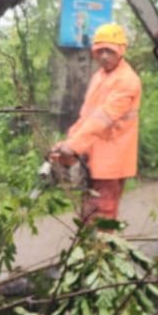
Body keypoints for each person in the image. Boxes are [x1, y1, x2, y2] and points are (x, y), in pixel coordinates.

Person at [50, 21, 142, 224]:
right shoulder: (100, 76)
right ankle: (90, 252)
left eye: (109, 51)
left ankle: (99, 253)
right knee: (88, 214)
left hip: (112, 159)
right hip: (93, 155)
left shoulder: (127, 81)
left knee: (102, 216)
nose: (104, 56)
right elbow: (87, 116)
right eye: (100, 51)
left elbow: (102, 119)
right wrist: (68, 142)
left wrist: (73, 146)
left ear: (121, 51)